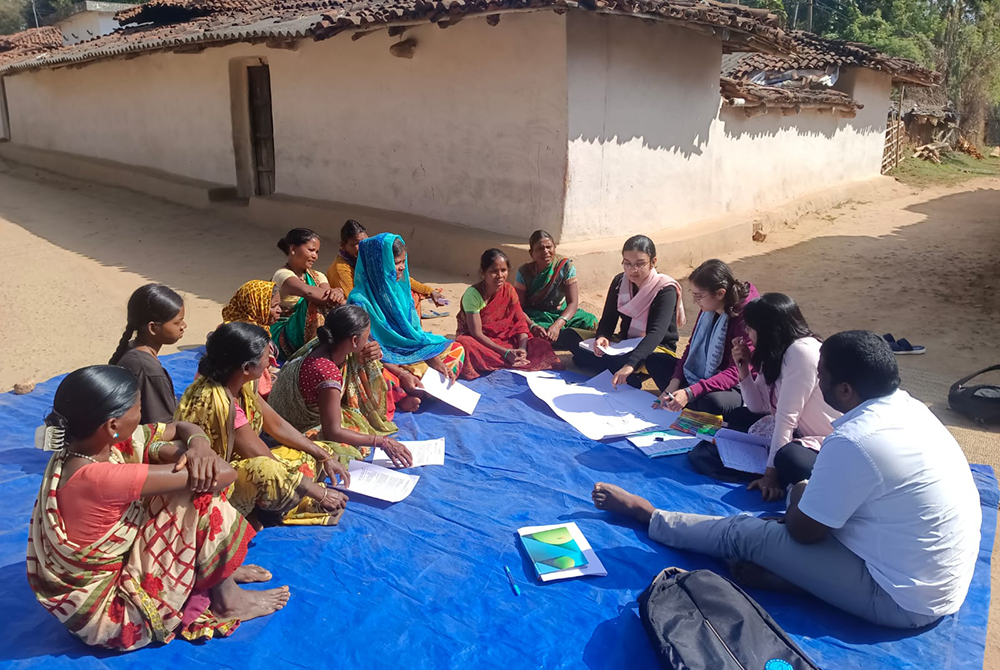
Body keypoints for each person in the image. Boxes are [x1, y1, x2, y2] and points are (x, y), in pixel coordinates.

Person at [591, 330, 982, 629]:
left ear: (845, 389)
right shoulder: (910, 409)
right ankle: (801, 579)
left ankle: (652, 517)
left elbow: (804, 531)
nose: (817, 378)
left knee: (748, 533)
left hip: (902, 601)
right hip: (936, 582)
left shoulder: (855, 439)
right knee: (788, 520)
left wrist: (799, 490)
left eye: (822, 373)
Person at [27, 365, 289, 651]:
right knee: (199, 498)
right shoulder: (101, 478)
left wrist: (198, 446)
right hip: (113, 614)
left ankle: (212, 570)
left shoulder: (80, 451)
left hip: (89, 594)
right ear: (113, 425)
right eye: (138, 409)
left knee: (166, 460)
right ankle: (228, 601)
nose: (141, 416)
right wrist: (191, 456)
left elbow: (180, 428)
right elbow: (223, 475)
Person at [175, 322, 355, 527]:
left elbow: (276, 425)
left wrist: (324, 456)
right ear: (246, 367)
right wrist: (319, 494)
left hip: (245, 462)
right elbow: (263, 458)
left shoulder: (239, 383)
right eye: (264, 356)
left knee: (319, 450)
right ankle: (251, 511)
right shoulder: (219, 404)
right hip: (218, 481)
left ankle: (272, 503)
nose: (271, 361)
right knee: (268, 472)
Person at [269, 306, 413, 467]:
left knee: (369, 365)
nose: (369, 342)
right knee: (347, 452)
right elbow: (333, 432)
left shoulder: (321, 345)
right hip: (291, 427)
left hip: (278, 415)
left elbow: (360, 356)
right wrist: (382, 442)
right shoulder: (327, 374)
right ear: (354, 340)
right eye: (367, 337)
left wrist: (367, 352)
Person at [730, 293, 839, 500]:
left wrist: (770, 474)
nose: (747, 333)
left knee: (789, 459)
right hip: (798, 431)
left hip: (827, 440)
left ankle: (784, 480)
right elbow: (757, 406)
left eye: (751, 328)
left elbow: (787, 417)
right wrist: (743, 367)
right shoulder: (775, 352)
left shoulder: (802, 352)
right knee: (739, 417)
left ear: (768, 331)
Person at [348, 232, 465, 382]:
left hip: (411, 353)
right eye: (396, 263)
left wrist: (435, 362)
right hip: (385, 360)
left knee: (457, 350)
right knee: (380, 377)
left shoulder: (400, 291)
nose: (402, 268)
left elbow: (415, 334)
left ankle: (423, 384)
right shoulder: (359, 301)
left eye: (404, 262)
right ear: (379, 265)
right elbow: (366, 350)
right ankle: (415, 385)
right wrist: (403, 374)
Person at [573, 235, 685, 388]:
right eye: (627, 264)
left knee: (653, 361)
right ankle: (620, 371)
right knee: (571, 337)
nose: (633, 270)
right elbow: (608, 318)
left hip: (656, 348)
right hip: (624, 342)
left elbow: (656, 334)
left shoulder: (665, 289)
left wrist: (630, 364)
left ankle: (622, 369)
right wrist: (602, 336)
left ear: (653, 262)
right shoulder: (620, 282)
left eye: (640, 264)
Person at [456, 249, 562, 380]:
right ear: (483, 273)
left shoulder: (509, 290)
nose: (500, 275)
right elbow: (476, 333)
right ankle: (510, 360)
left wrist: (522, 350)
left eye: (503, 270)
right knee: (464, 344)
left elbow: (520, 322)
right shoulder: (472, 295)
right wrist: (505, 353)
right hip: (484, 342)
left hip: (508, 340)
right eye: (494, 271)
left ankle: (517, 359)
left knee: (541, 345)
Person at [327, 219, 447, 316]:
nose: (363, 246)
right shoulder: (341, 268)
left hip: (371, 302)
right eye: (357, 244)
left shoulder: (365, 259)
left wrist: (430, 292)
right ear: (343, 246)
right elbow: (354, 299)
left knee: (408, 293)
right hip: (356, 311)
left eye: (365, 242)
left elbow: (400, 278)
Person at [109, 284, 187, 423]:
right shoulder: (148, 370)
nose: (183, 326)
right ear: (152, 328)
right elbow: (162, 426)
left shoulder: (132, 349)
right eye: (177, 322)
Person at [514, 230, 598, 350]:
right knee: (523, 328)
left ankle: (554, 339)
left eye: (549, 247)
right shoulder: (524, 272)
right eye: (540, 249)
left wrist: (558, 325)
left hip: (560, 314)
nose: (546, 252)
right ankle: (562, 339)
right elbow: (518, 307)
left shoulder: (565, 267)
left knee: (590, 321)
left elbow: (573, 304)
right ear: (531, 253)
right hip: (536, 316)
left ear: (555, 248)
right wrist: (532, 326)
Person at [271, 228, 345, 362]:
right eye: (311, 250)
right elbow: (309, 292)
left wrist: (337, 293)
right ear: (293, 249)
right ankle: (317, 355)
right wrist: (338, 295)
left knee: (329, 305)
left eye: (317, 252)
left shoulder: (318, 276)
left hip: (307, 330)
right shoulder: (282, 275)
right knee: (314, 302)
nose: (315, 256)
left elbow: (329, 297)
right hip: (284, 334)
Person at [221, 279, 282, 398]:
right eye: (274, 306)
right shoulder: (248, 339)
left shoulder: (261, 329)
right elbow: (260, 391)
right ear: (255, 307)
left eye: (279, 305)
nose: (280, 310)